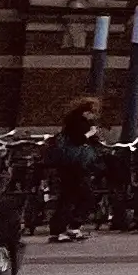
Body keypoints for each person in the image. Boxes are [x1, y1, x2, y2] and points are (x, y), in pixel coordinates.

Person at [45, 95, 104, 242]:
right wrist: (91, 133)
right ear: (86, 111)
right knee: (82, 196)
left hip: (68, 165)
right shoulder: (78, 123)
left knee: (69, 196)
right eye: (93, 112)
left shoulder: (72, 121)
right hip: (75, 165)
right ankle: (69, 228)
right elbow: (78, 140)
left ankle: (63, 229)